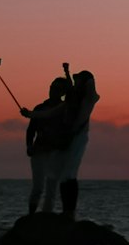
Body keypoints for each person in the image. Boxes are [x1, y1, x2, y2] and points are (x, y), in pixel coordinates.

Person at [22, 64, 100, 218]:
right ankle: (57, 213)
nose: (52, 90)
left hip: (69, 144)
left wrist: (74, 75)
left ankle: (64, 212)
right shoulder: (66, 104)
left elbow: (88, 89)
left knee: (64, 177)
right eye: (52, 87)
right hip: (53, 146)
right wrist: (30, 114)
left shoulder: (87, 99)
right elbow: (44, 117)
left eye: (80, 80)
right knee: (52, 181)